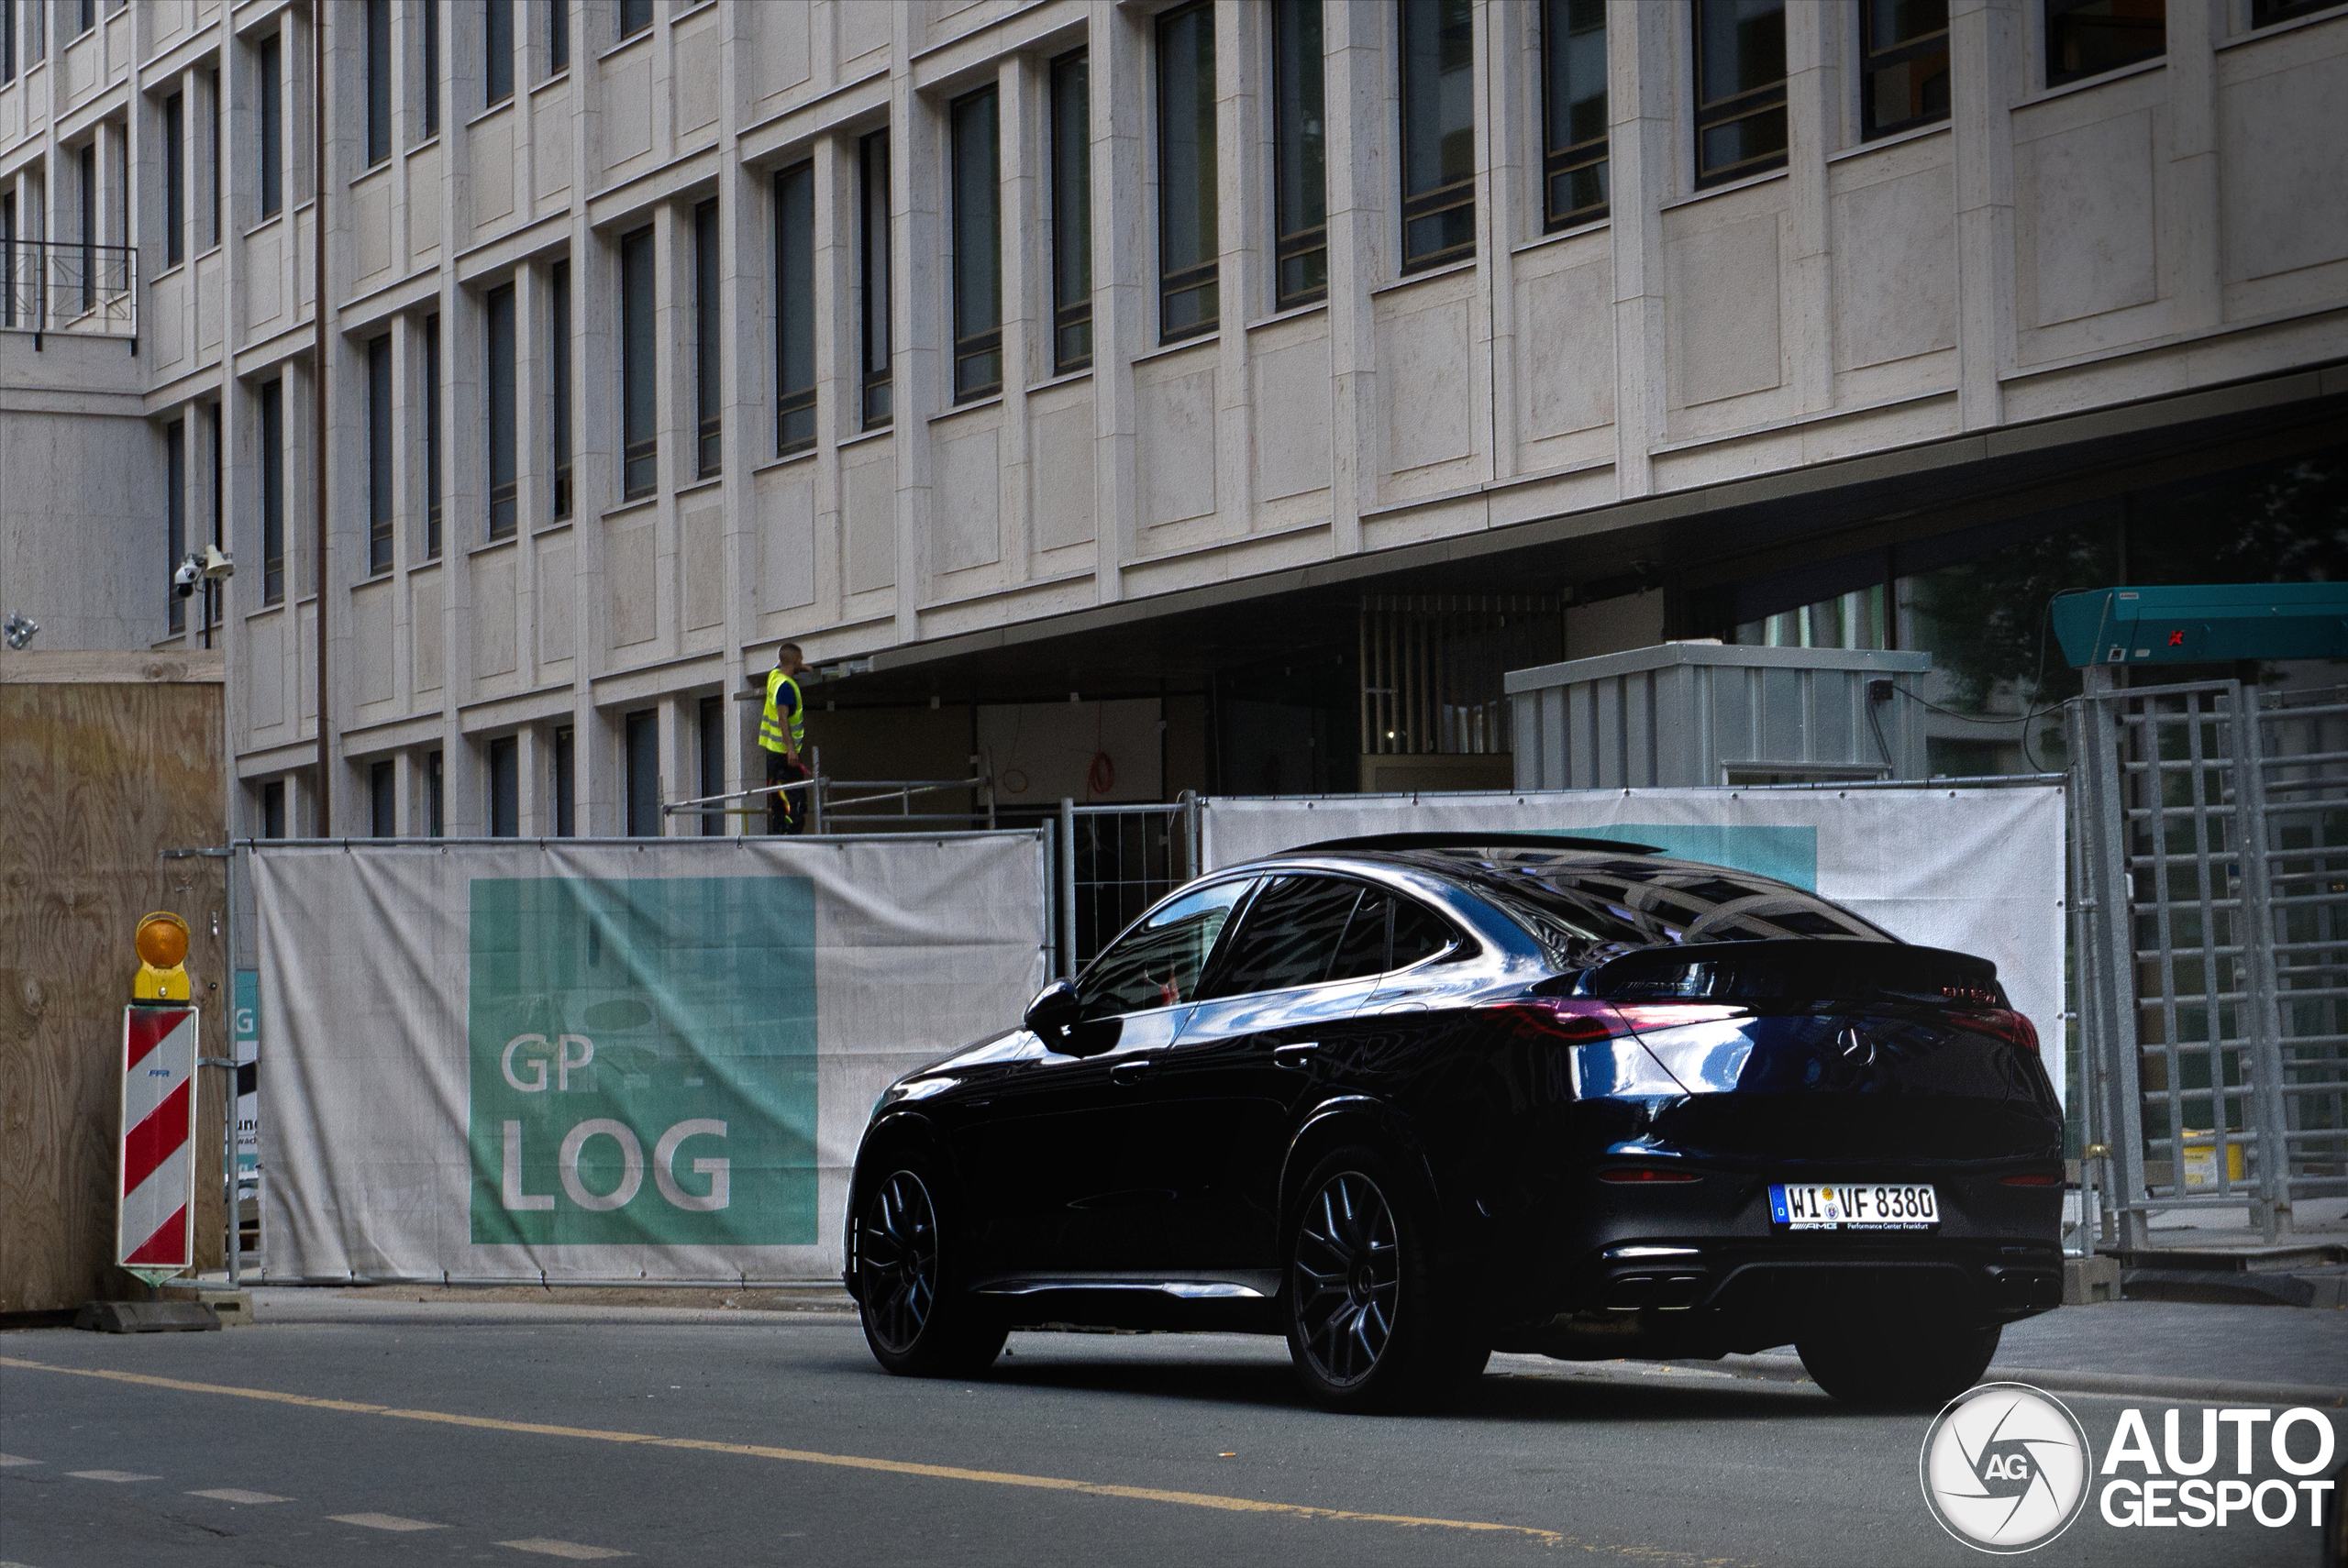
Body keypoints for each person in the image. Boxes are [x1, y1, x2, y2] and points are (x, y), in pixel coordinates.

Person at [759, 644, 809, 834]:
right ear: (795, 661)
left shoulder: (774, 677)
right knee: (796, 800)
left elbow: (780, 662)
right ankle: (790, 836)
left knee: (779, 797)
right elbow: (782, 719)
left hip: (773, 752)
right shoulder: (786, 687)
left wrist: (803, 667)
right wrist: (791, 749)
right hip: (784, 754)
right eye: (801, 660)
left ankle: (779, 833)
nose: (802, 663)